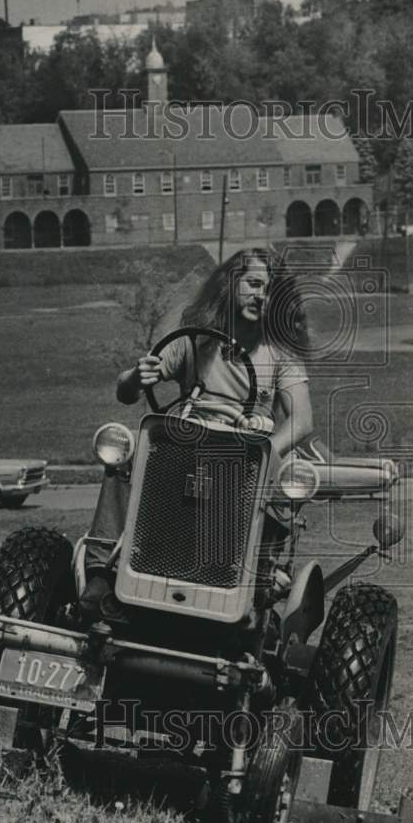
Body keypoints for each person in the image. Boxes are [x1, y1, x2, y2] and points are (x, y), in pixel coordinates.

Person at [81, 247, 314, 616]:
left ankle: (260, 582)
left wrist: (267, 447)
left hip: (246, 452)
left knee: (280, 479)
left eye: (269, 291)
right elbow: (128, 390)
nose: (260, 296)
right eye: (253, 284)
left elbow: (301, 421)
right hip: (185, 441)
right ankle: (100, 573)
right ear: (230, 284)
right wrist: (135, 378)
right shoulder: (195, 340)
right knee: (124, 459)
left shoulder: (280, 353)